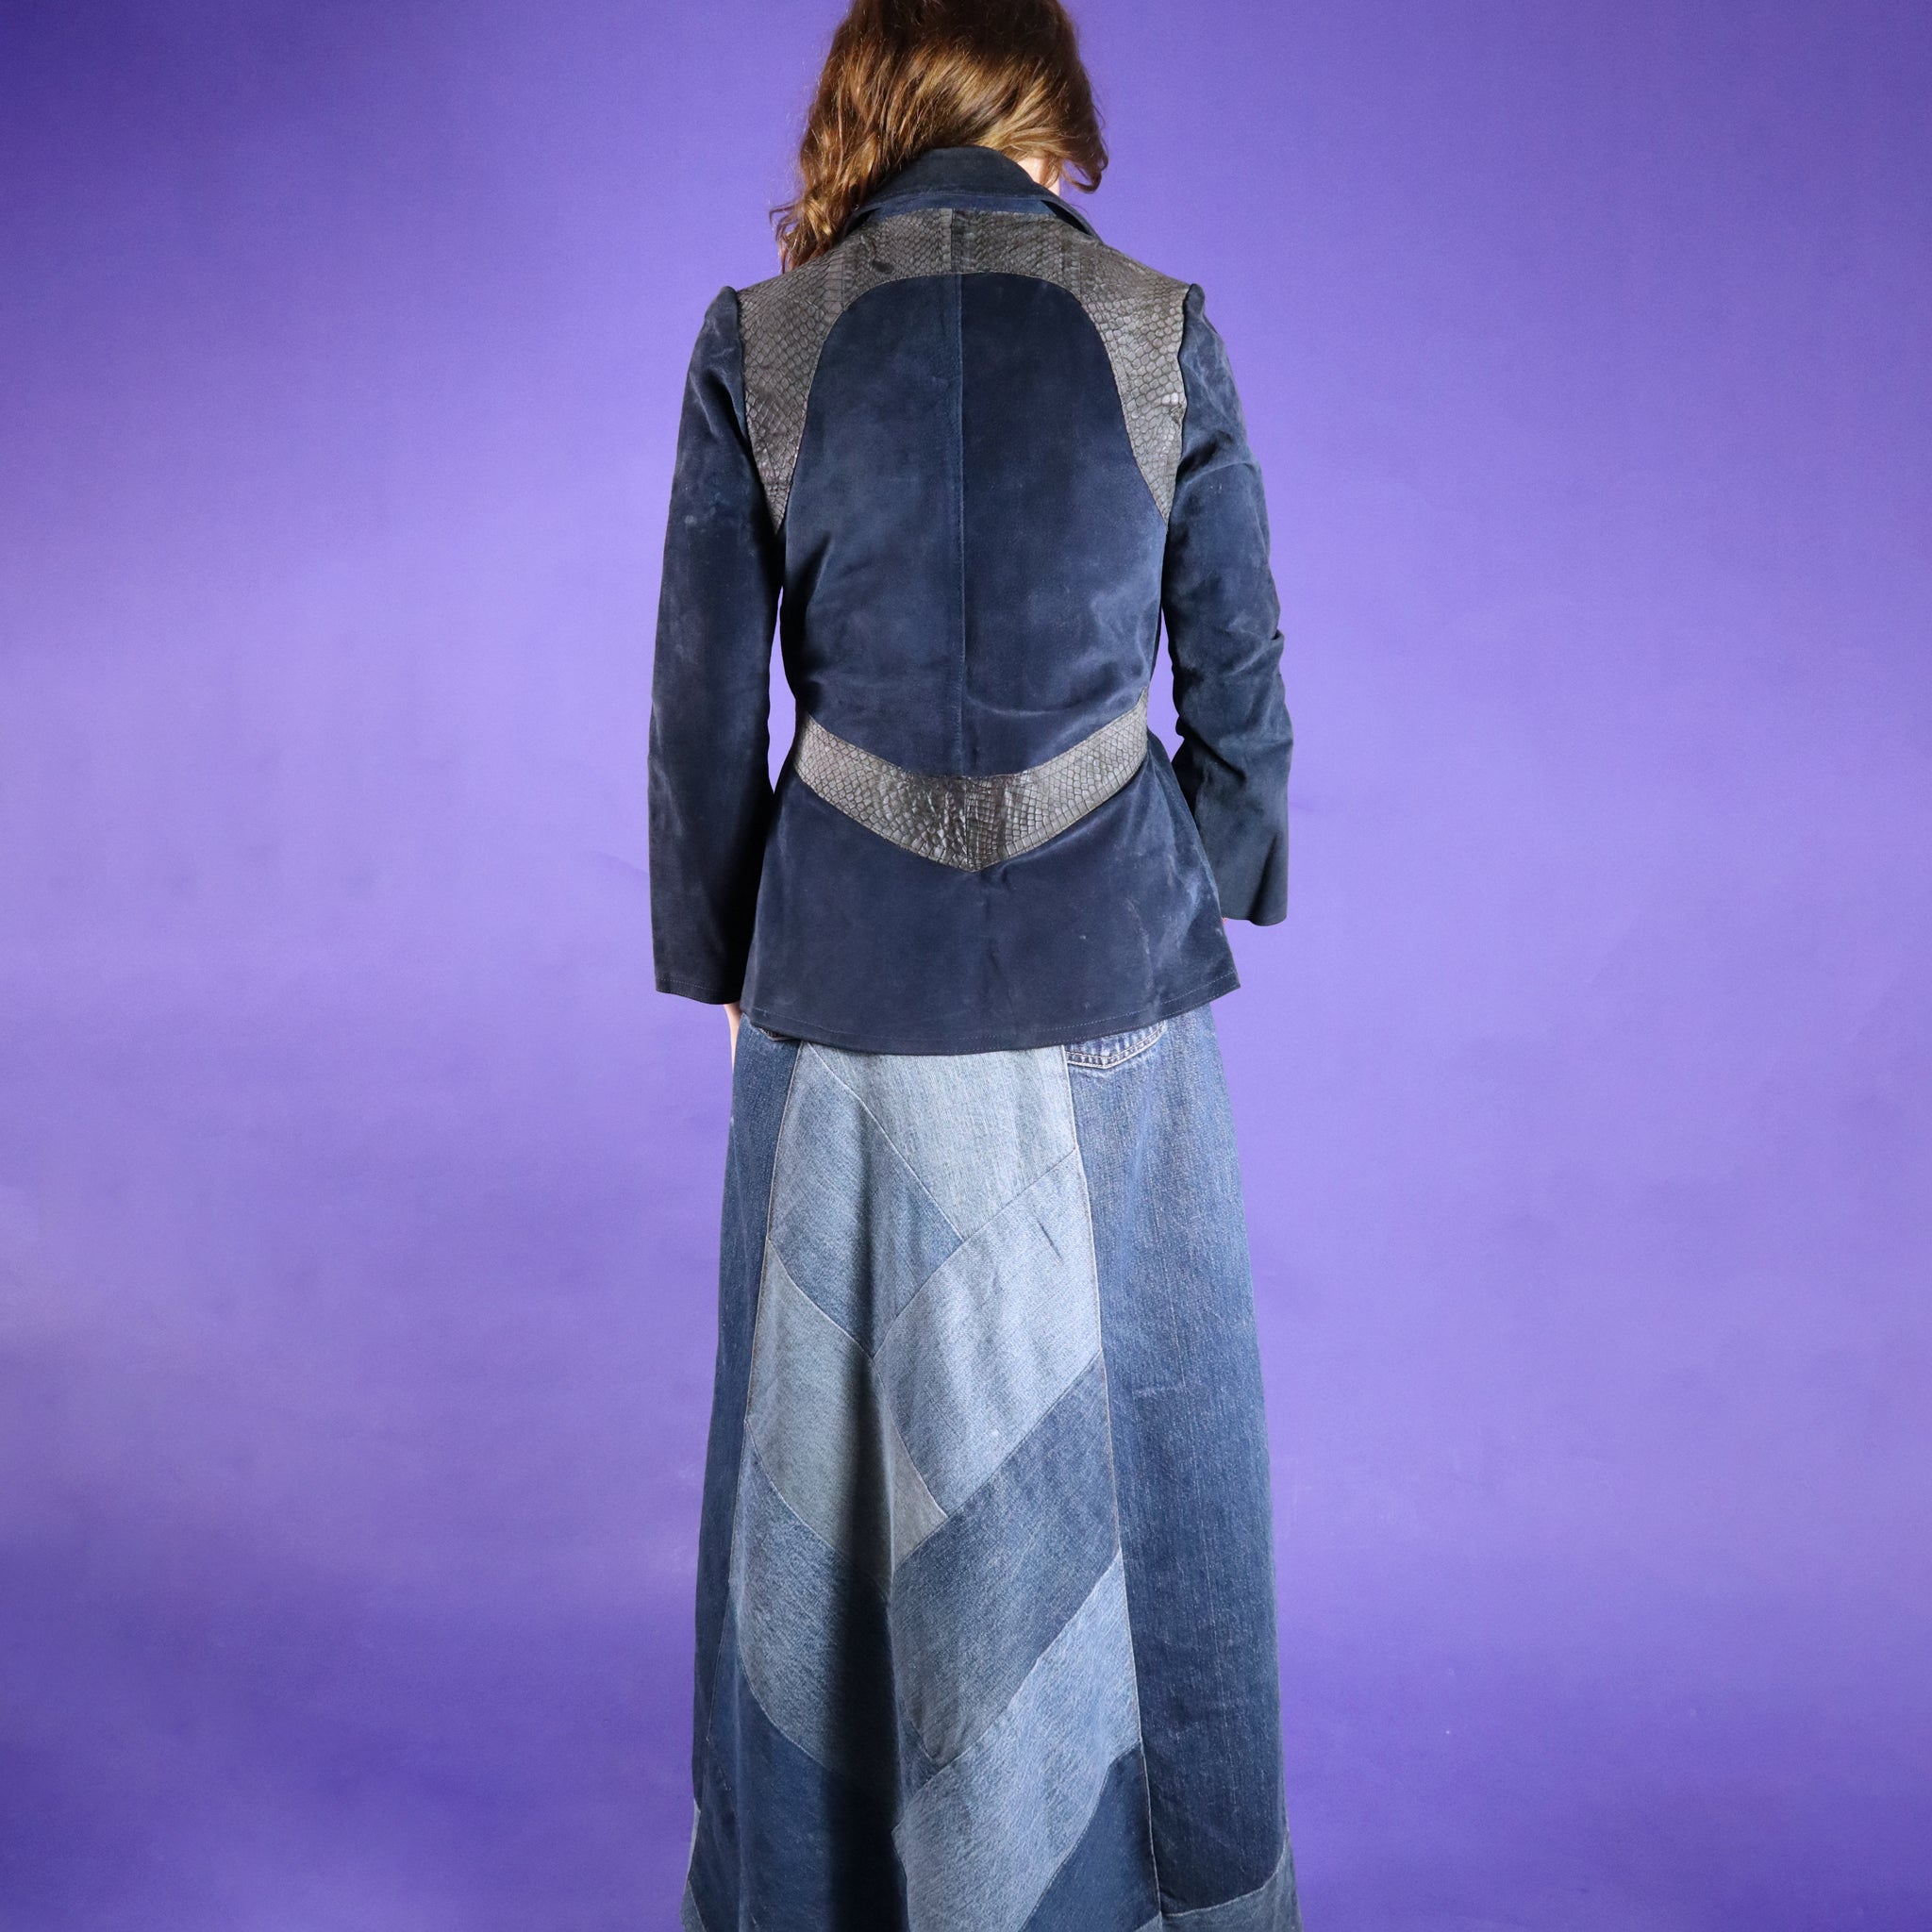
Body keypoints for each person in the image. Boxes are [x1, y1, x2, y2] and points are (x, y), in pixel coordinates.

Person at [648, 1, 1300, 1924]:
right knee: (1150, 1470)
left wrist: (730, 958)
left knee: (822, 1497)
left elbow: (701, 716)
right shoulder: (1160, 326)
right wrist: (1181, 888)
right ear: (1045, 114)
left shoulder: (758, 340)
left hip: (838, 998)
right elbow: (1242, 679)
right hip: (1114, 988)